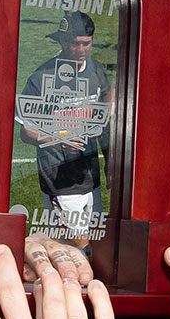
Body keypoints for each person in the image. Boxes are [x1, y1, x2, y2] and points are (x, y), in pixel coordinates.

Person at [16, 13, 114, 241]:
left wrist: (110, 163)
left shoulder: (97, 71)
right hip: (59, 182)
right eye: (75, 43)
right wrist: (59, 140)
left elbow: (104, 121)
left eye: (86, 43)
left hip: (90, 178)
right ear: (62, 42)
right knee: (73, 249)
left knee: (94, 247)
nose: (81, 50)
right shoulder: (41, 78)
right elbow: (26, 131)